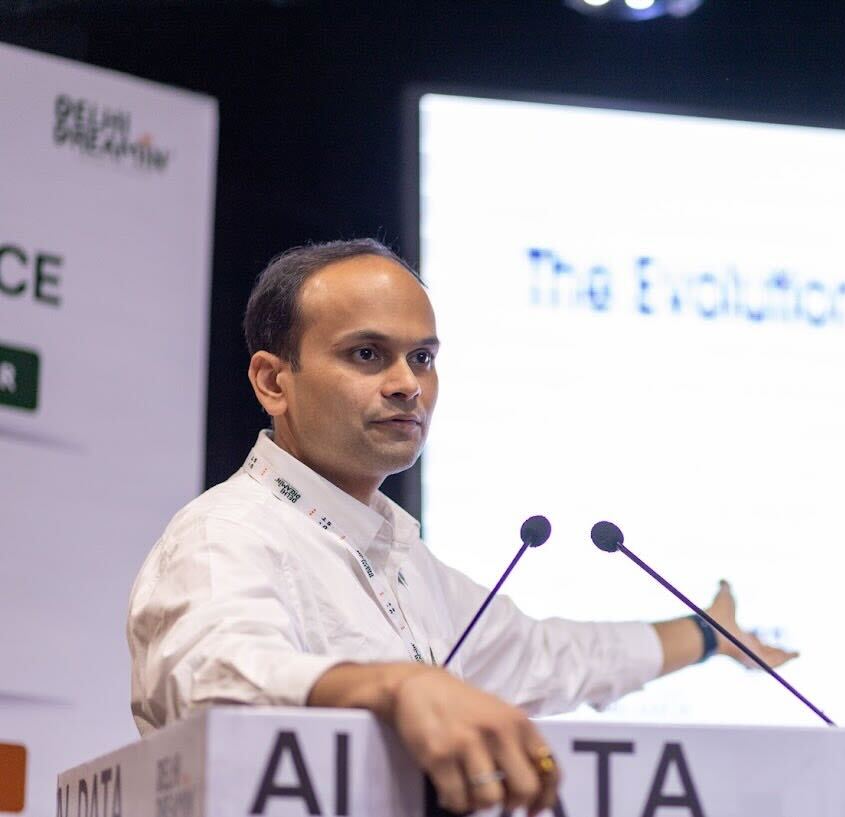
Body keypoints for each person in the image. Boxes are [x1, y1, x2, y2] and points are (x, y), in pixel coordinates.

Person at [127, 238, 798, 816]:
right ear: (273, 382)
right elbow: (213, 678)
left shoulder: (402, 560)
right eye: (367, 354)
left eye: (422, 357)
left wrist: (706, 634)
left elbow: (550, 657)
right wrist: (398, 686)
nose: (407, 384)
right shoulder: (226, 532)